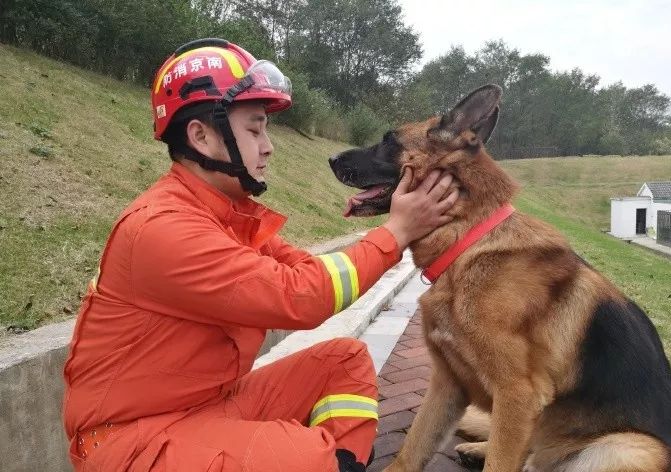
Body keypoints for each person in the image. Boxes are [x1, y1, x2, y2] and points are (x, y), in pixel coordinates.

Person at [62, 38, 458, 472]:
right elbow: (302, 295)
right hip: (131, 440)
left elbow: (311, 274)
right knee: (306, 459)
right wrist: (397, 232)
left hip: (207, 406)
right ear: (201, 136)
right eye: (254, 129)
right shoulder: (163, 228)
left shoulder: (226, 215)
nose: (268, 145)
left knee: (343, 360)